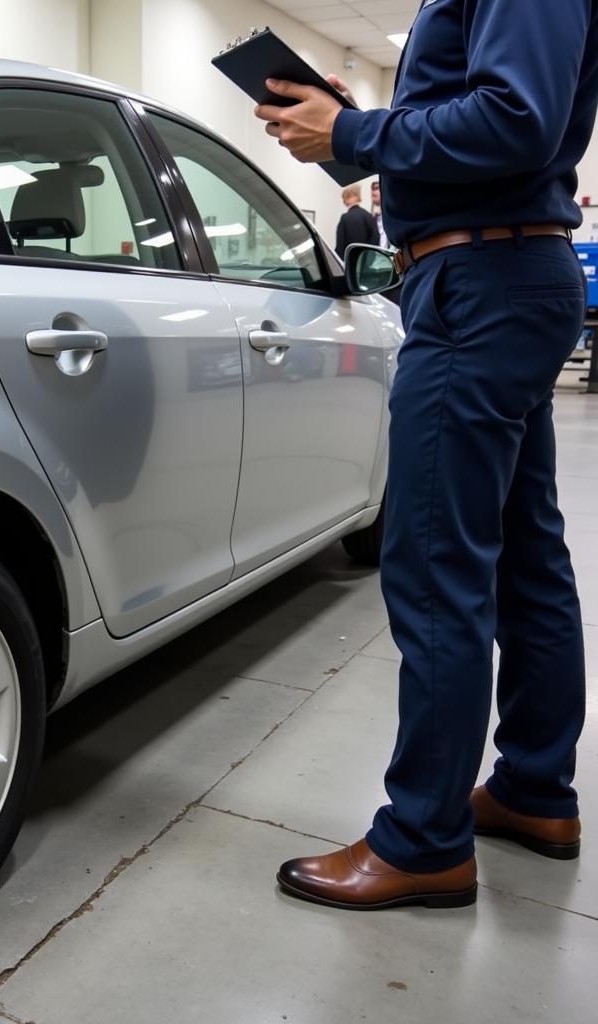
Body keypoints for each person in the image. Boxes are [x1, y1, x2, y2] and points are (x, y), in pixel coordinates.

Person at [254, 0, 595, 910]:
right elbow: (486, 116)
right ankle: (533, 790)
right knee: (526, 558)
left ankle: (425, 840)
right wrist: (351, 128)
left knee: (437, 563)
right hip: (497, 274)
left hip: (482, 281)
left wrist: (356, 128)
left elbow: (517, 120)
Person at [335, 184, 379, 259]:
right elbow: (376, 238)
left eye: (344, 197)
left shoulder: (345, 218)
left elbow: (340, 246)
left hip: (350, 262)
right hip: (366, 263)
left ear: (350, 197)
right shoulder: (369, 216)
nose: (344, 201)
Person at [370, 180, 389, 249]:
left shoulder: (393, 217)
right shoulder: (373, 218)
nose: (373, 191)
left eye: (377, 188)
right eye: (373, 189)